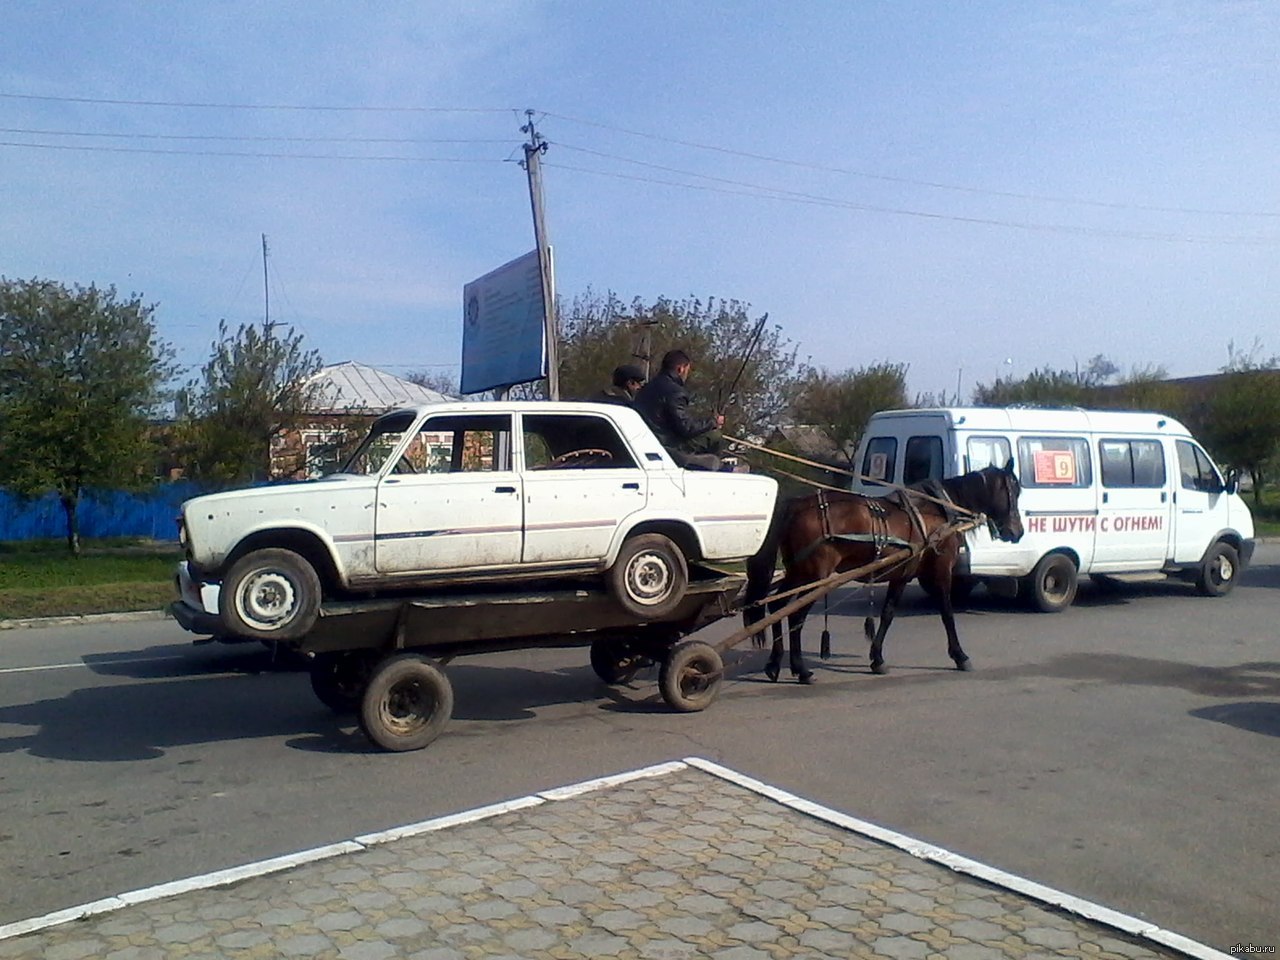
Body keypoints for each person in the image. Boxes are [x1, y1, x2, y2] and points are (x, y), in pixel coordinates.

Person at [634, 349, 726, 470]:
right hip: (668, 445)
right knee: (715, 435)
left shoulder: (646, 388)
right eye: (687, 370)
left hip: (646, 440)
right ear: (680, 369)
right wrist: (713, 422)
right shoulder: (675, 391)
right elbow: (685, 428)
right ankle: (716, 470)